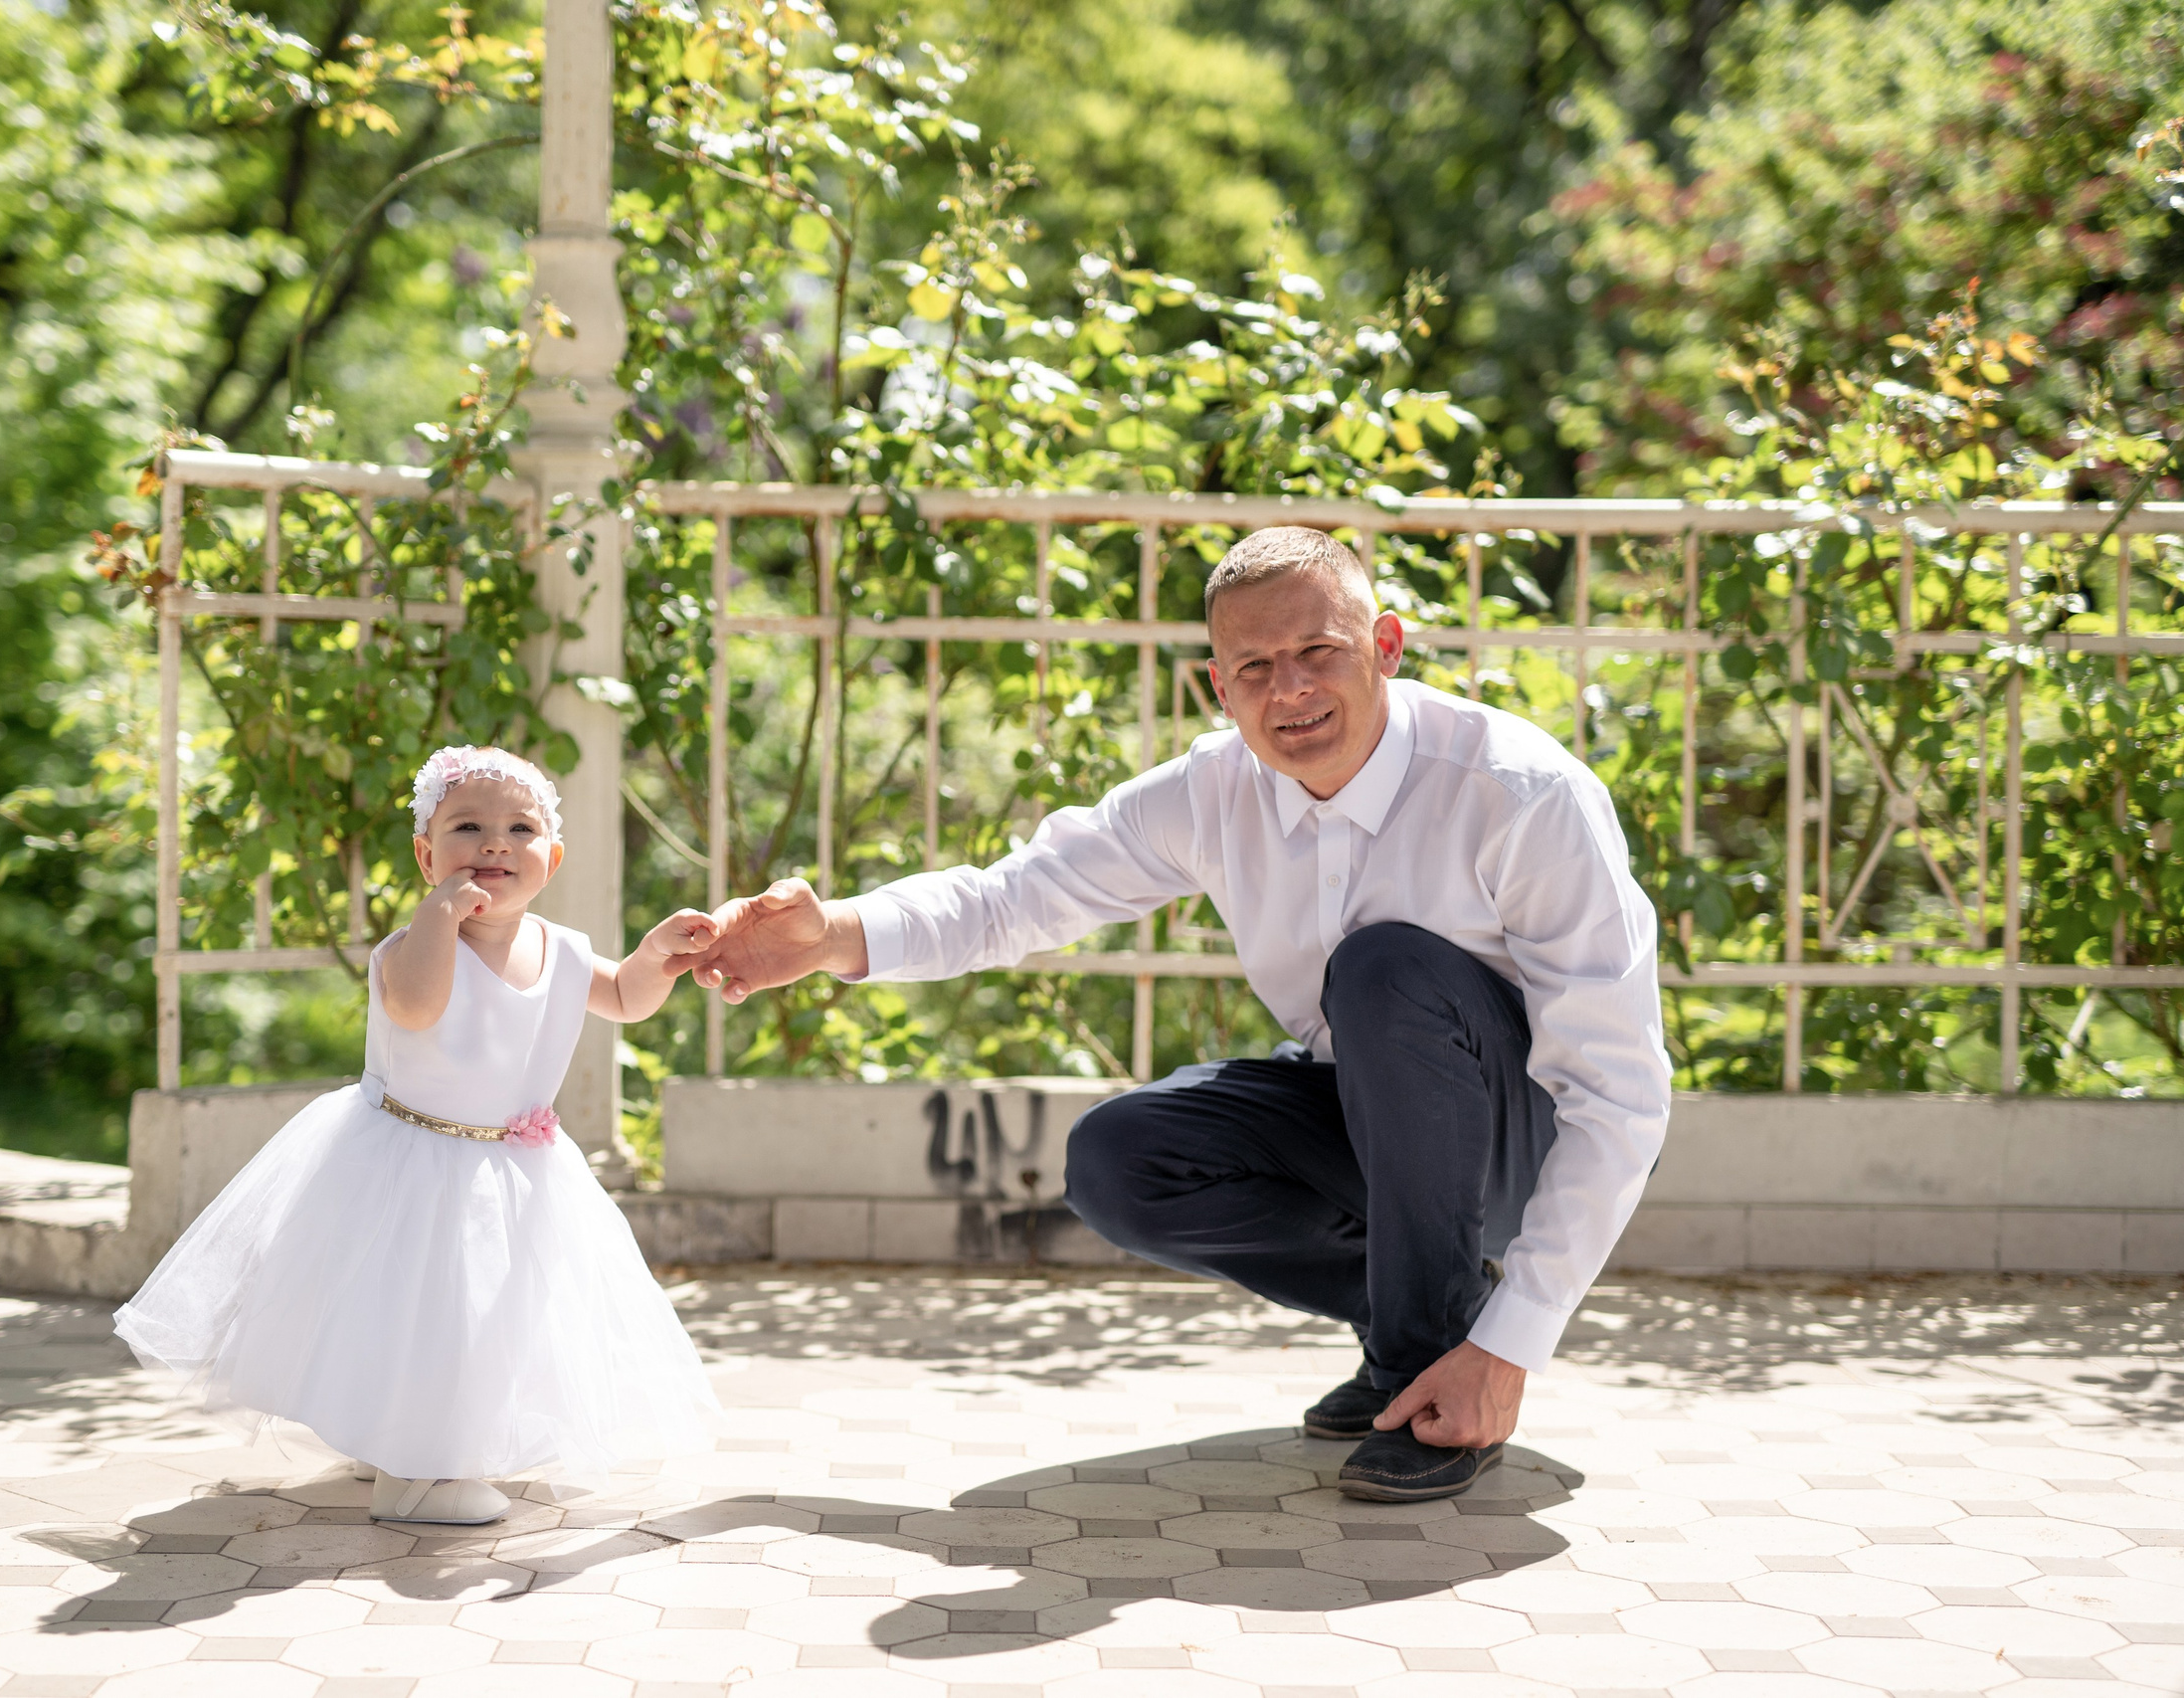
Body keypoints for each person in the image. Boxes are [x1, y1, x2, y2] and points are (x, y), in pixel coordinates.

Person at [689, 525, 1668, 1503]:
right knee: (1120, 1157)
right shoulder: (1213, 790)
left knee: (1384, 971)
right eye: (1255, 667)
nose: (1289, 689)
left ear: (1386, 646)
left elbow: (1617, 1093)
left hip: (1522, 1142)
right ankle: (1427, 1314)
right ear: (1219, 688)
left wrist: (1514, 1345)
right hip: (1374, 1122)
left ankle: (1435, 1368)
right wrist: (832, 936)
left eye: (1318, 651)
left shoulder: (1518, 793)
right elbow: (1016, 896)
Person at [115, 745, 722, 1524]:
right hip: (409, 1160)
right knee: (415, 1316)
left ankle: (406, 1440)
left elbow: (627, 998)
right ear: (427, 855)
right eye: (467, 827)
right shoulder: (413, 946)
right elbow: (415, 1008)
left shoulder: (564, 949)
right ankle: (419, 1475)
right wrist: (438, 916)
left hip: (513, 1171)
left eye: (521, 829)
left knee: (489, 1319)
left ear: (552, 858)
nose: (495, 842)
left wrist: (657, 956)